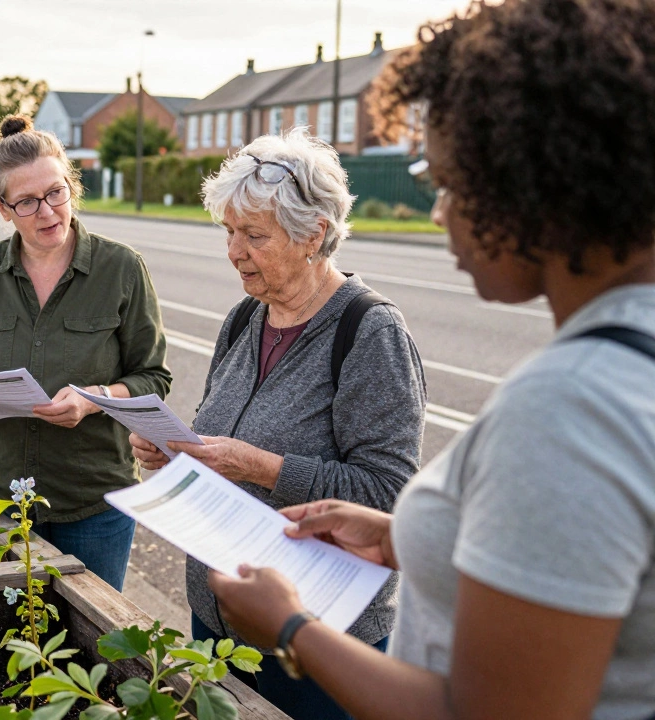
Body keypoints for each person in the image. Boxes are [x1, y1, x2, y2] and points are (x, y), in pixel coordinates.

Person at [207, 1, 655, 719]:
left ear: (535, 184)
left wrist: (291, 628)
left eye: (448, 182)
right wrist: (409, 540)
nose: (439, 212)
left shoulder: (570, 409)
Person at [129, 128, 427, 720]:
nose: (234, 251)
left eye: (254, 236)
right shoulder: (245, 318)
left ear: (314, 234)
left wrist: (258, 467)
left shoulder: (371, 334)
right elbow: (226, 429)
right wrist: (173, 452)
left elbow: (389, 497)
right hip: (220, 615)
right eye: (229, 232)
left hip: (320, 635)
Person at [0, 115, 172, 591]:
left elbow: (153, 377)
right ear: (3, 208)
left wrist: (95, 397)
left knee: (96, 647)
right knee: (11, 641)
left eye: (56, 192)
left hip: (94, 502)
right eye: (27, 202)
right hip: (1, 499)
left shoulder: (121, 268)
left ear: (71, 186)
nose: (47, 212)